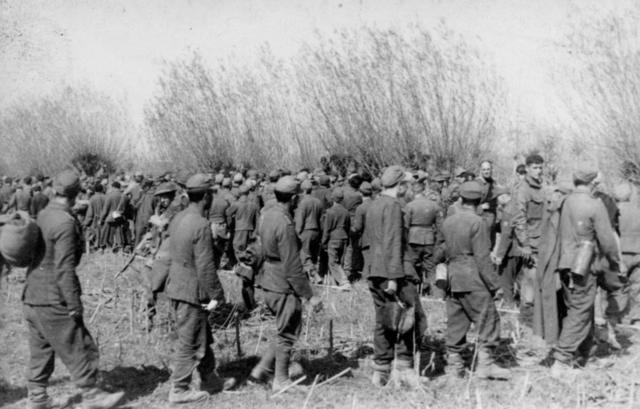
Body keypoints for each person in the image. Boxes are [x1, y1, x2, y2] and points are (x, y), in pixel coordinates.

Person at [23, 170, 124, 409]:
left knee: (40, 350)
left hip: (31, 297)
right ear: (77, 193)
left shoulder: (44, 214)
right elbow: (64, 269)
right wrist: (73, 304)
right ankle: (92, 396)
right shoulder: (65, 223)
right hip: (54, 298)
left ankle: (37, 398)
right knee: (81, 346)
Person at [165, 174, 235, 404]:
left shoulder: (178, 218)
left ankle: (209, 378)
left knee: (202, 332)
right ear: (206, 196)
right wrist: (218, 296)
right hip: (191, 290)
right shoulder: (201, 224)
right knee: (189, 340)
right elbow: (205, 266)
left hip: (177, 283)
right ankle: (180, 389)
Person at [250, 176, 321, 391]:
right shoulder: (285, 223)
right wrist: (309, 294)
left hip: (268, 278)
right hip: (282, 282)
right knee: (288, 332)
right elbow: (292, 265)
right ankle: (281, 380)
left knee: (282, 328)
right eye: (297, 197)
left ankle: (261, 370)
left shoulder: (267, 215)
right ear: (293, 198)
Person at [550, 170, 622, 375]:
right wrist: (615, 263)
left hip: (564, 264)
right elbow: (607, 241)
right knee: (580, 311)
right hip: (583, 267)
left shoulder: (566, 202)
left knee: (582, 308)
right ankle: (562, 360)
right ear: (593, 184)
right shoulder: (594, 204)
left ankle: (585, 353)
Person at [439, 181, 510, 381]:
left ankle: (454, 368)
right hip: (473, 277)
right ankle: (485, 366)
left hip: (453, 278)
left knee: (456, 321)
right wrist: (495, 285)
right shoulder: (478, 222)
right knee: (488, 318)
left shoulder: (448, 221)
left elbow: (441, 250)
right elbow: (482, 258)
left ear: (460, 199)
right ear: (479, 202)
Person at [362, 165, 425, 388]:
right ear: (399, 186)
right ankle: (405, 370)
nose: (408, 188)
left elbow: (369, 241)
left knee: (384, 321)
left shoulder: (373, 205)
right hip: (393, 273)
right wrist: (393, 277)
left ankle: (380, 370)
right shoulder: (394, 207)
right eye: (406, 185)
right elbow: (393, 241)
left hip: (374, 271)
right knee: (410, 319)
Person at [403, 180, 443, 297]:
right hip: (429, 238)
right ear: (423, 191)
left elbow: (405, 226)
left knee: (412, 264)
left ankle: (412, 292)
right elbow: (441, 227)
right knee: (430, 267)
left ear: (413, 192)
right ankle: (436, 294)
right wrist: (438, 242)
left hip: (413, 238)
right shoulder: (434, 205)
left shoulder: (409, 206)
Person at [321, 188, 351, 290]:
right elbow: (348, 226)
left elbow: (327, 228)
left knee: (332, 262)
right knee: (340, 261)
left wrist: (324, 241)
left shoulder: (330, 212)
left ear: (333, 198)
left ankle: (344, 281)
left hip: (333, 238)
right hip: (344, 237)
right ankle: (337, 283)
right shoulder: (346, 211)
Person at [294, 179, 323, 283]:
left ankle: (315, 275)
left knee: (305, 254)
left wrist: (297, 232)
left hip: (306, 231)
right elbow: (321, 218)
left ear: (304, 190)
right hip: (317, 231)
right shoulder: (318, 202)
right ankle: (313, 276)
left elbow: (300, 220)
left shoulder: (303, 203)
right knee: (314, 254)